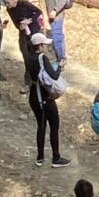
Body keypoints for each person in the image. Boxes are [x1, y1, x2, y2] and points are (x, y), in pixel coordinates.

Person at [31, 33, 65, 166]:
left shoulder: (29, 57)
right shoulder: (42, 58)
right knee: (54, 125)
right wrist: (60, 66)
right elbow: (54, 76)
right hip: (44, 96)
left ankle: (40, 157)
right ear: (39, 46)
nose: (47, 46)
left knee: (41, 126)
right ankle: (56, 158)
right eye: (45, 44)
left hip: (34, 94)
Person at [39, 0, 73, 66]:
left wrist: (55, 10)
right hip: (50, 14)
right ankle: (61, 55)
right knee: (57, 36)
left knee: (56, 36)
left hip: (57, 14)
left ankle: (61, 59)